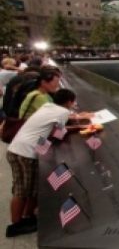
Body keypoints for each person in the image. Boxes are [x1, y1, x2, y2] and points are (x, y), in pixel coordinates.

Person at [5, 89, 78, 237]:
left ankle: (27, 217)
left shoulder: (47, 107)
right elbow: (58, 135)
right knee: (22, 190)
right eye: (73, 102)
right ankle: (15, 226)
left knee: (28, 187)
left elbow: (46, 131)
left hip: (16, 148)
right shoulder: (63, 112)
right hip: (26, 153)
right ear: (69, 102)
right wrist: (76, 129)